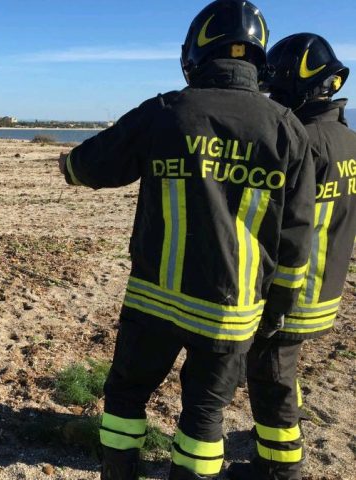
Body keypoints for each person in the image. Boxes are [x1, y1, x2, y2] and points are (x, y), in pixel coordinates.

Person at [58, 1, 315, 478]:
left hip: (154, 302)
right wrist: (280, 305)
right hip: (231, 313)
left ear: (195, 52)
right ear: (258, 61)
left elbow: (83, 167)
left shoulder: (165, 113)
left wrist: (67, 166)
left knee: (126, 398)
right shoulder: (286, 129)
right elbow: (298, 234)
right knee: (204, 415)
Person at [227, 33, 356, 480]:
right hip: (327, 284)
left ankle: (278, 465)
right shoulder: (346, 140)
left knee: (271, 376)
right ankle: (280, 433)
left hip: (293, 287)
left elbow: (281, 222)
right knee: (285, 367)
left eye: (275, 92)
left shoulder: (301, 140)